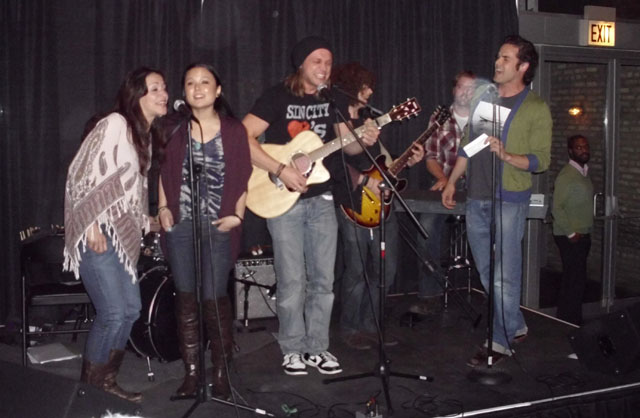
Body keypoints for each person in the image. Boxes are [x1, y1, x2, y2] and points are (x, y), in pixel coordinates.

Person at [242, 36, 379, 375]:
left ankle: (318, 347)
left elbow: (344, 149)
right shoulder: (277, 96)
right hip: (282, 199)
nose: (324, 67)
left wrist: (363, 138)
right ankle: (292, 348)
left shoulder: (332, 101)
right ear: (301, 64)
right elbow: (240, 137)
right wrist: (280, 169)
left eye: (328, 62)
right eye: (317, 61)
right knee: (292, 281)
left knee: (323, 280)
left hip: (322, 198)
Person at [442, 35, 552, 367]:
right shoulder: (487, 103)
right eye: (498, 57)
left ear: (523, 66)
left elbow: (540, 160)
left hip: (508, 199)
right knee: (488, 272)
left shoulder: (534, 107)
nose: (497, 63)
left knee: (505, 274)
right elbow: (470, 147)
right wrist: (451, 182)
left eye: (505, 58)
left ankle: (499, 342)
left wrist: (506, 154)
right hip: (477, 197)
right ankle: (514, 323)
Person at [63, 67, 168, 401]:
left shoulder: (145, 139)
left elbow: (132, 195)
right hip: (98, 230)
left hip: (121, 236)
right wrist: (91, 222)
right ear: (137, 95)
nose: (163, 94)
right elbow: (79, 172)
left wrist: (153, 220)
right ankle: (88, 390)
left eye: (164, 88)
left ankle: (105, 383)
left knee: (130, 311)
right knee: (112, 313)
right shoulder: (115, 124)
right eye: (154, 89)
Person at [157, 63, 252, 400]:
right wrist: (163, 207)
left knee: (214, 299)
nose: (197, 88)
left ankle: (222, 371)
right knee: (185, 299)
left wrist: (237, 216)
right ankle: (192, 373)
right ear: (184, 92)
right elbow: (162, 173)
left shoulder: (234, 130)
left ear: (218, 90)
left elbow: (243, 175)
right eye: (190, 83)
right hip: (181, 226)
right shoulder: (171, 128)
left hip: (219, 224)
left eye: (205, 82)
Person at [331, 62, 424, 350]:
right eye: (365, 87)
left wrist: (407, 160)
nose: (370, 92)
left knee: (387, 269)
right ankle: (349, 328)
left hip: (381, 204)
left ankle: (371, 327)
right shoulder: (335, 119)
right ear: (350, 88)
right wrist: (361, 181)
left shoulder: (370, 118)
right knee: (356, 269)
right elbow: (334, 161)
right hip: (352, 202)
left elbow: (381, 163)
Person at [410, 70, 476, 316]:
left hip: (476, 187)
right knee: (426, 225)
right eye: (462, 87)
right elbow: (430, 157)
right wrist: (444, 179)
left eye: (472, 88)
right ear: (453, 89)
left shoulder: (484, 120)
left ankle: (491, 291)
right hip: (445, 181)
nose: (466, 92)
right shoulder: (439, 117)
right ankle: (430, 294)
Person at [552, 135, 593, 326]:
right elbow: (556, 207)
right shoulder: (567, 175)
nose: (583, 150)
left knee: (574, 281)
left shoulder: (583, 173)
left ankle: (566, 320)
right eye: (578, 147)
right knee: (575, 282)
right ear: (570, 151)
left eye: (585, 147)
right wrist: (571, 233)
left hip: (582, 234)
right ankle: (572, 323)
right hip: (570, 237)